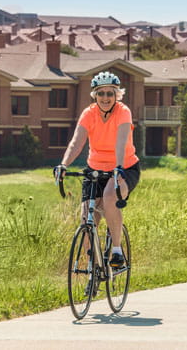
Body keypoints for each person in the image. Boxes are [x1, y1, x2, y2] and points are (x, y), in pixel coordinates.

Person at [54, 71, 141, 269]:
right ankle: (93, 266)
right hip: (94, 169)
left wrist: (118, 168)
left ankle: (117, 251)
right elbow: (77, 142)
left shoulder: (123, 112)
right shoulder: (88, 113)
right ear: (95, 95)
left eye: (110, 93)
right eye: (101, 93)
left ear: (117, 95)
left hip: (125, 167)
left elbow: (121, 142)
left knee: (110, 196)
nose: (105, 98)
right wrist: (64, 164)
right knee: (86, 218)